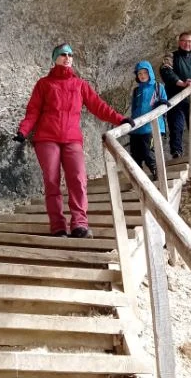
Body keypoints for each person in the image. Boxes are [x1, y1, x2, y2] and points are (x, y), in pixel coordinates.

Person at [14, 44, 131, 238]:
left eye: (69, 55)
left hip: (72, 139)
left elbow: (98, 106)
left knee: (77, 179)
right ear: (55, 59)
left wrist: (119, 118)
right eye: (62, 55)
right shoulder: (44, 84)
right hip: (47, 138)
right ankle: (58, 226)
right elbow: (33, 110)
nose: (67, 58)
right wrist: (23, 130)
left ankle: (79, 224)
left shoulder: (80, 85)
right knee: (52, 182)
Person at [159, 31, 191, 159]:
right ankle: (176, 153)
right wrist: (180, 83)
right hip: (175, 98)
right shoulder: (171, 56)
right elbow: (165, 70)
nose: (187, 44)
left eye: (190, 41)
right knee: (176, 126)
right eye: (184, 41)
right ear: (179, 42)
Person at [129, 61, 168, 179]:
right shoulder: (136, 91)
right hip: (136, 128)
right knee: (135, 155)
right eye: (139, 73)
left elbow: (165, 103)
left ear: (150, 73)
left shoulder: (158, 87)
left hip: (152, 126)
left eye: (145, 72)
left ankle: (158, 175)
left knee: (148, 153)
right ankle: (139, 178)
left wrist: (162, 104)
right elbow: (134, 108)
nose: (142, 75)